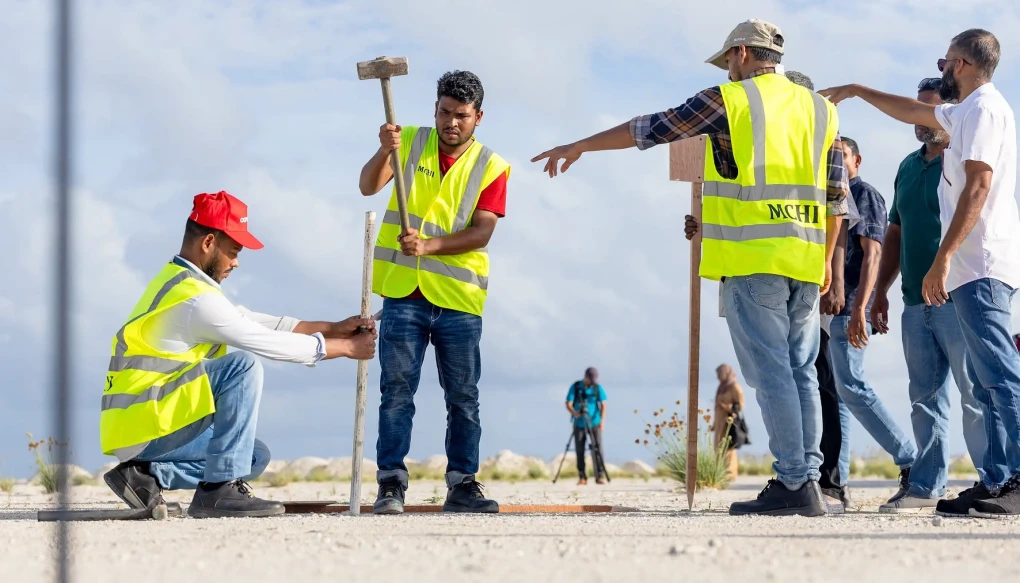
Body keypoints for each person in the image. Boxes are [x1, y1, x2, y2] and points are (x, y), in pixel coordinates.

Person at [533, 19, 850, 516]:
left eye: (728, 60)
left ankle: (794, 483)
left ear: (743, 54)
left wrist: (581, 145)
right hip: (807, 259)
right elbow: (836, 196)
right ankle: (809, 479)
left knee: (773, 375)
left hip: (755, 258)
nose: (726, 70)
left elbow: (653, 128)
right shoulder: (822, 109)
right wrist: (829, 260)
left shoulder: (733, 101)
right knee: (801, 373)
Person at [822, 28, 1020, 518]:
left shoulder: (986, 110)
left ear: (965, 64)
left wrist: (943, 257)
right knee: (989, 381)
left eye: (947, 60)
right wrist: (858, 91)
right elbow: (912, 112)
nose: (944, 67)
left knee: (998, 379)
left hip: (983, 267)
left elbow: (978, 188)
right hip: (967, 273)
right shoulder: (964, 111)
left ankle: (1014, 479)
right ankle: (999, 483)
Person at [100, 191, 377, 519]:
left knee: (253, 457)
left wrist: (334, 328)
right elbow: (261, 340)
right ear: (208, 243)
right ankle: (217, 492)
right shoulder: (197, 302)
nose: (236, 262)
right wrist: (342, 348)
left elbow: (257, 322)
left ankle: (144, 475)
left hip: (141, 427)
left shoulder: (183, 285)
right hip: (148, 423)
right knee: (241, 367)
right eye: (233, 251)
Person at [359, 70, 511, 515]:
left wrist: (429, 246)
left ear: (478, 117)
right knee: (396, 392)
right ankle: (391, 484)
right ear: (435, 109)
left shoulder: (492, 165)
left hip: (458, 302)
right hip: (404, 293)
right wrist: (384, 149)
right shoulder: (406, 141)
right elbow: (368, 185)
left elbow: (482, 232)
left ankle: (462, 484)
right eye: (445, 112)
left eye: (461, 115)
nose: (451, 122)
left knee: (463, 397)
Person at [872, 78, 989, 513]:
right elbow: (895, 231)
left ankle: (993, 481)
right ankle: (926, 486)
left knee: (974, 394)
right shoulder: (906, 166)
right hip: (913, 301)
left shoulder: (963, 161)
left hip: (957, 295)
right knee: (924, 397)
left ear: (949, 111)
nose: (920, 121)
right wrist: (881, 291)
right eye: (916, 110)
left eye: (928, 109)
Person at [825, 136, 919, 508]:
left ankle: (911, 458)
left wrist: (861, 307)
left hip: (848, 304)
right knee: (842, 395)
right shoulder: (833, 197)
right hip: (828, 307)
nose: (836, 162)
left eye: (841, 156)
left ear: (856, 160)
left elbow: (873, 256)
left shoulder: (864, 194)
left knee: (852, 386)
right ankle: (837, 483)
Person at [786, 70, 857, 511]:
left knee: (823, 383)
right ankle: (807, 471)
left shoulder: (823, 145)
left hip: (820, 284)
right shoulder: (785, 148)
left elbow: (838, 220)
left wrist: (834, 281)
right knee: (800, 377)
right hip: (793, 274)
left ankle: (828, 478)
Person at [565, 367, 608, 485]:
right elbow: (568, 403)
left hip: (595, 423)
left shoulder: (597, 388)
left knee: (598, 449)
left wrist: (602, 422)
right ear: (585, 377)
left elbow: (604, 405)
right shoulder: (576, 387)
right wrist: (575, 413)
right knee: (580, 450)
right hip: (579, 424)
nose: (591, 382)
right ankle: (582, 476)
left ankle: (600, 476)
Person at [712, 364, 745, 481]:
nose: (718, 377)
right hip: (719, 422)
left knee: (728, 448)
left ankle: (729, 474)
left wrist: (727, 407)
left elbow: (740, 404)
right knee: (718, 447)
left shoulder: (734, 387)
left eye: (719, 374)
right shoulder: (721, 387)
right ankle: (719, 472)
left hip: (729, 422)